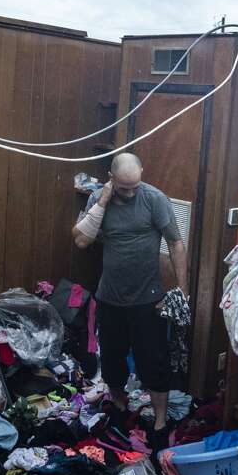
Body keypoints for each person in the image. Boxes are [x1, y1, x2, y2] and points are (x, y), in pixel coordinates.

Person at [72, 152, 187, 456]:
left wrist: (181, 291)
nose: (130, 192)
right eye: (123, 187)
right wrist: (103, 199)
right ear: (111, 178)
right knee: (112, 361)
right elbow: (81, 241)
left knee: (154, 362)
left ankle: (161, 424)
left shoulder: (154, 199)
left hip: (147, 300)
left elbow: (176, 242)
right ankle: (121, 409)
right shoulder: (100, 199)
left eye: (135, 186)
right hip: (110, 298)